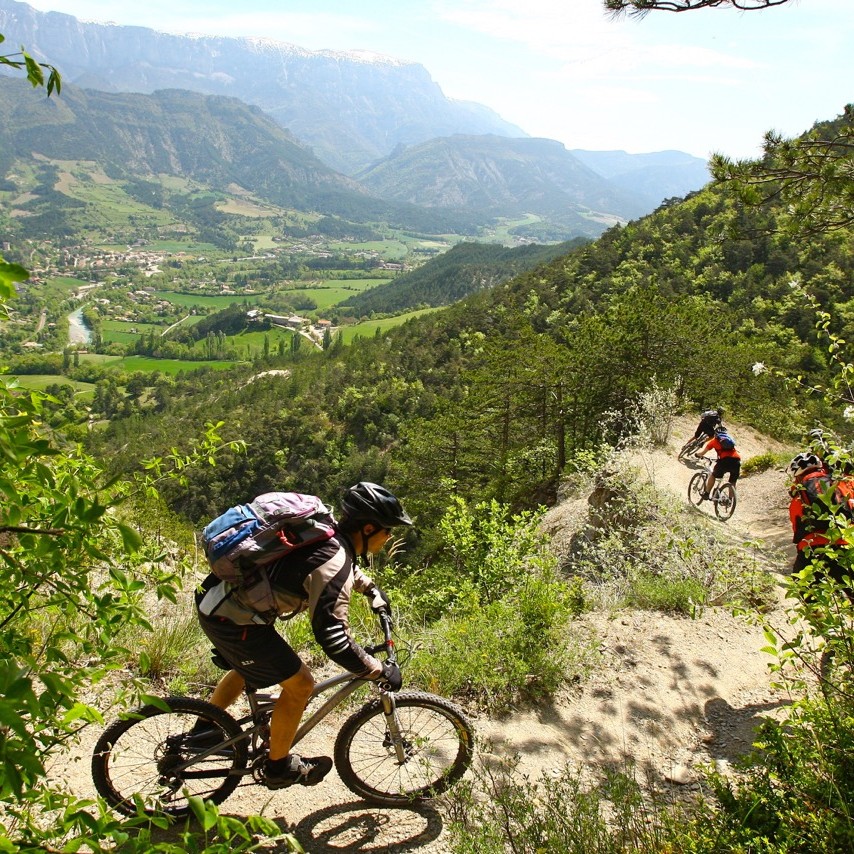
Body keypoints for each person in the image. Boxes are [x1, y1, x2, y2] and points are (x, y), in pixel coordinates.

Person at [194, 481, 413, 789]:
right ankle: (278, 767)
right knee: (301, 685)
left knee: (248, 669)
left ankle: (204, 732)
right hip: (231, 618)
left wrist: (371, 589)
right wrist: (376, 670)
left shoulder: (325, 530)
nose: (389, 537)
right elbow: (333, 637)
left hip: (216, 600)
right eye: (387, 530)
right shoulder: (334, 557)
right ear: (366, 529)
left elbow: (333, 564)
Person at [788, 451, 853, 600]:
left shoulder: (799, 498)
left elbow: (797, 529)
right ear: (821, 468)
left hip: (812, 549)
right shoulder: (840, 487)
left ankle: (819, 620)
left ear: (797, 476)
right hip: (844, 545)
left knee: (802, 589)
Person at [695, 426, 741, 500]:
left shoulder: (714, 441)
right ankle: (730, 500)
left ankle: (707, 493)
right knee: (732, 482)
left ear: (716, 434)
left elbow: (702, 453)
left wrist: (697, 455)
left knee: (713, 475)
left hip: (724, 461)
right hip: (736, 460)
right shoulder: (730, 440)